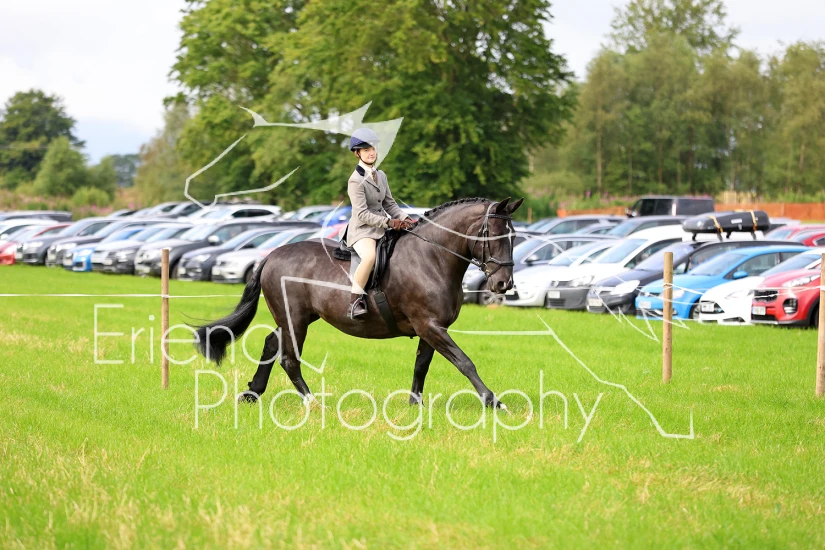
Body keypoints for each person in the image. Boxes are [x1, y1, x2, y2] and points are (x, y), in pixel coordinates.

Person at [344, 128, 414, 320]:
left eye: (373, 148)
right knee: (369, 257)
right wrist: (389, 222)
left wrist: (406, 219)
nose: (371, 153)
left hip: (381, 227)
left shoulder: (381, 175)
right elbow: (362, 214)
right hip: (363, 230)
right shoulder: (355, 180)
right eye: (366, 150)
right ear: (357, 153)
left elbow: (389, 203)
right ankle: (355, 301)